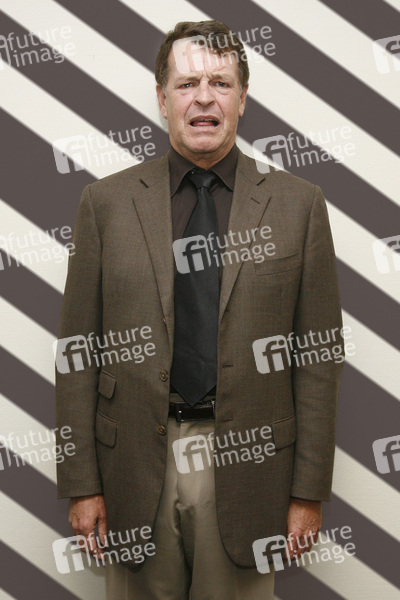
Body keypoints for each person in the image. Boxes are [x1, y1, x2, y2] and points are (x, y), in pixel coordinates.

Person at [55, 19, 344, 600]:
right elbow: (77, 354)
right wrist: (82, 483)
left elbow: (318, 362)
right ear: (163, 99)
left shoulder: (299, 206)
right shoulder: (104, 204)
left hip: (250, 467)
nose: (204, 98)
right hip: (134, 464)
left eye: (220, 82)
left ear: (242, 98)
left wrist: (307, 493)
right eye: (187, 84)